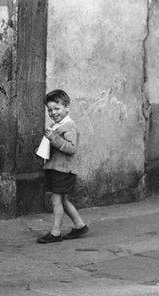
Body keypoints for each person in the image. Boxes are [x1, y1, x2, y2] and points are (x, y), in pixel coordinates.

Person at [36, 89, 89, 243]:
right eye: (50, 110)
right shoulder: (56, 126)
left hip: (64, 170)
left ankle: (55, 232)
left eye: (57, 109)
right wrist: (42, 148)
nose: (53, 112)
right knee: (63, 200)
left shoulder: (69, 127)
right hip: (56, 168)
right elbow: (55, 147)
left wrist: (54, 139)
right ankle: (80, 225)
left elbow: (71, 148)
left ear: (67, 108)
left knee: (56, 200)